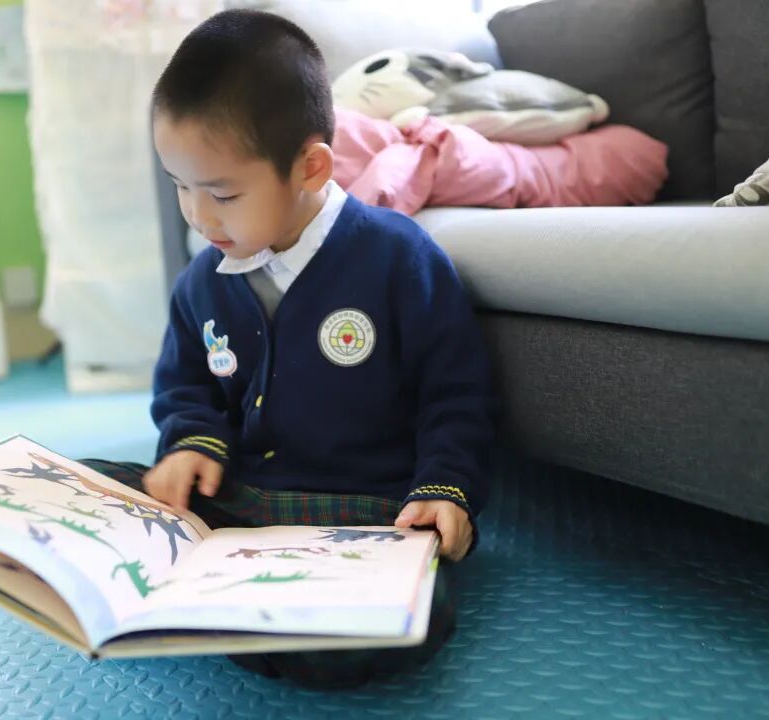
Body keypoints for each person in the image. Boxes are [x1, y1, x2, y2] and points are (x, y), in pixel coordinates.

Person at [82, 8, 494, 688]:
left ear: (310, 166)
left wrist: (444, 490)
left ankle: (217, 615)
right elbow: (185, 387)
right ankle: (226, 606)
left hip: (369, 519)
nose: (197, 216)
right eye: (180, 186)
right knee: (87, 495)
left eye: (222, 193)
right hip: (239, 505)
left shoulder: (399, 259)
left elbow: (456, 394)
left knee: (404, 625)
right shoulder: (202, 282)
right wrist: (191, 445)